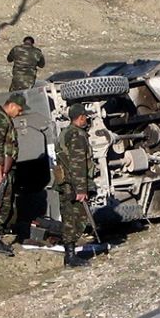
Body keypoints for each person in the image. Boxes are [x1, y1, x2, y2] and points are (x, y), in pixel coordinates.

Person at [0, 93, 29, 256]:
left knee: (5, 203)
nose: (20, 113)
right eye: (20, 109)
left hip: (4, 169)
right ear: (12, 105)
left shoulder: (3, 119)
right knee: (0, 203)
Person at [55, 103, 96, 268]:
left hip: (66, 183)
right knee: (75, 219)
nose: (87, 119)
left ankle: (69, 255)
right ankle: (71, 256)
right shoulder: (77, 135)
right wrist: (81, 189)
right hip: (72, 185)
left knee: (69, 218)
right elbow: (78, 164)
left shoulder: (66, 133)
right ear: (80, 117)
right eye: (85, 116)